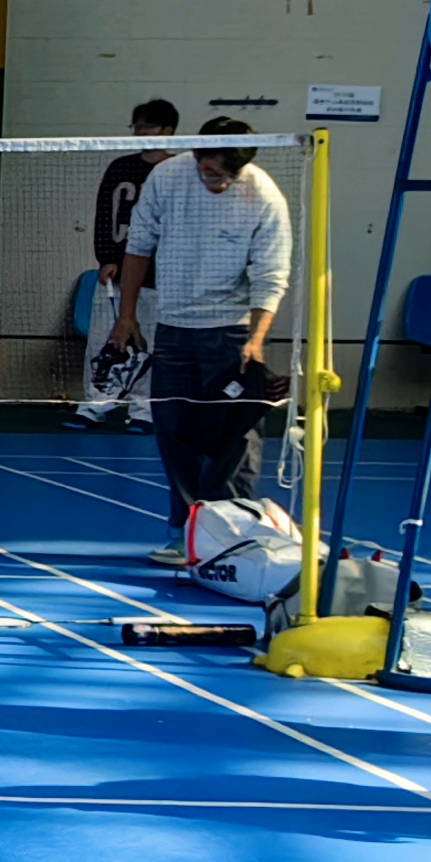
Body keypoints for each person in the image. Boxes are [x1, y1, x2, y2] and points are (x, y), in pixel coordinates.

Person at [109, 114, 293, 556]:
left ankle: (232, 532)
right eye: (210, 171)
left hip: (231, 333)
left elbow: (271, 275)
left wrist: (255, 340)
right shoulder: (166, 178)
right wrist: (127, 316)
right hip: (173, 329)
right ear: (196, 153)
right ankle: (187, 533)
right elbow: (138, 246)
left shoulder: (264, 195)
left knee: (236, 439)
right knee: (174, 432)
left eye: (228, 175)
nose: (219, 182)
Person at [72, 98, 177, 429]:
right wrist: (106, 257)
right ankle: (95, 404)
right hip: (117, 276)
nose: (141, 132)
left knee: (151, 344)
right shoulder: (120, 168)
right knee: (104, 339)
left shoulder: (179, 172)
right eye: (137, 126)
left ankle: (144, 410)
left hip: (161, 279)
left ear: (168, 130)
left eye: (149, 127)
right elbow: (105, 214)